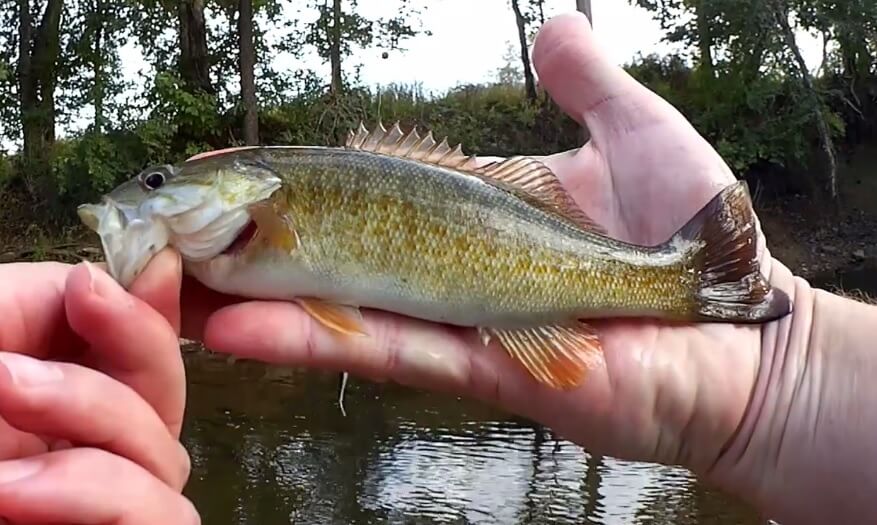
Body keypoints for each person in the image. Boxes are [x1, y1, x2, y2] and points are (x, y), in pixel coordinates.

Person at [0, 10, 873, 525]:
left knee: (669, 280)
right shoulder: (236, 248)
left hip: (571, 268)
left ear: (245, 187)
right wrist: (776, 404)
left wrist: (780, 387)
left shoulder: (268, 212)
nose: (149, 196)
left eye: (160, 183)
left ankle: (688, 280)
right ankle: (696, 287)